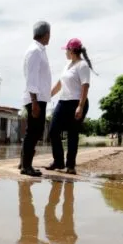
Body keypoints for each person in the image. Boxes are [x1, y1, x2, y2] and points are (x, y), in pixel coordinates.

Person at [45, 38, 94, 175]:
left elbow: (85, 86)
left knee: (73, 134)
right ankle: (58, 161)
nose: (65, 52)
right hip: (63, 102)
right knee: (53, 130)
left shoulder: (82, 65)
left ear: (72, 50)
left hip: (76, 102)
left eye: (66, 50)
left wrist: (80, 106)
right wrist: (48, 96)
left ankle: (70, 165)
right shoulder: (67, 65)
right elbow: (60, 84)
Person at [20, 21, 53, 177]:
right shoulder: (35, 51)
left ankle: (24, 163)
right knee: (33, 131)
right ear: (46, 34)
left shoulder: (39, 50)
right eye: (49, 34)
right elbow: (31, 78)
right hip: (36, 97)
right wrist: (34, 102)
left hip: (38, 97)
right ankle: (26, 166)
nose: (50, 37)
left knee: (34, 131)